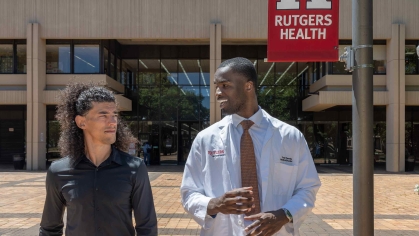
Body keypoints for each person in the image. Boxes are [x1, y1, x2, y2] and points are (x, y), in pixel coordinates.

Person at [180, 57, 321, 236]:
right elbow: (188, 193)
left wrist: (284, 215)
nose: (217, 93)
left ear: (248, 86)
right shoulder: (205, 139)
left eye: (225, 85)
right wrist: (215, 204)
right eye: (216, 86)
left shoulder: (290, 137)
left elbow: (307, 188)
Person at [39, 83, 157, 236]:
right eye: (103, 115)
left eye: (114, 115)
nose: (113, 122)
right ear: (82, 122)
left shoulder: (134, 168)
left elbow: (147, 228)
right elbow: (50, 229)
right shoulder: (58, 171)